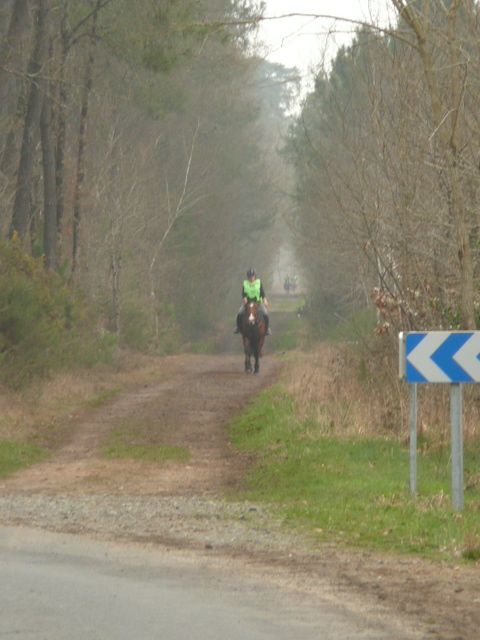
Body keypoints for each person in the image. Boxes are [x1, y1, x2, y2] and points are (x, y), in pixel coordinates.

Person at [234, 268, 271, 335]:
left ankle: (267, 329)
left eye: (252, 276)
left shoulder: (259, 282)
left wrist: (265, 300)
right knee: (239, 313)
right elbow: (243, 293)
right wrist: (244, 298)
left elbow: (262, 292)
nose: (251, 278)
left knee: (265, 314)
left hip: (258, 303)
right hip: (247, 303)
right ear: (247, 277)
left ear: (255, 276)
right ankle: (238, 328)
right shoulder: (245, 283)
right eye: (249, 276)